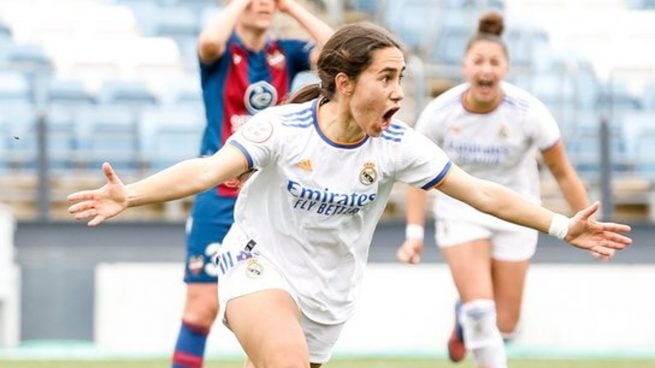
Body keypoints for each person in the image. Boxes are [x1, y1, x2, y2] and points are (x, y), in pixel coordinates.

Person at [68, 23, 631, 368]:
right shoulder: (282, 129)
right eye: (386, 78)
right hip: (257, 267)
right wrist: (131, 195)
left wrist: (561, 225)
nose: (398, 91)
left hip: (329, 295)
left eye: (402, 77)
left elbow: (480, 191)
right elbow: (206, 170)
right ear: (345, 83)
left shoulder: (396, 144)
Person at [395, 12, 593, 368]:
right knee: (481, 312)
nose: (486, 70)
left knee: (505, 324)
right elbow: (416, 175)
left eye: (494, 63)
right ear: (464, 67)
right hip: (461, 211)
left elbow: (562, 172)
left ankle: (462, 316)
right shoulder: (439, 112)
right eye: (478, 62)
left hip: (518, 213)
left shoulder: (530, 112)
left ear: (506, 68)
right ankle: (469, 311)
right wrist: (413, 233)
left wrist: (588, 223)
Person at [174, 0, 333, 366]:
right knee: (200, 310)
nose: (262, 3)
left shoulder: (286, 53)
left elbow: (339, 52)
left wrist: (291, 9)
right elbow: (209, 42)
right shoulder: (222, 50)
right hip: (219, 196)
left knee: (274, 317)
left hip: (272, 198)